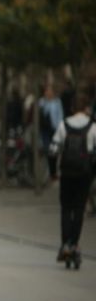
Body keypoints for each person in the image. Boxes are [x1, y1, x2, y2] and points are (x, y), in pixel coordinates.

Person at [50, 90, 95, 267]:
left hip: (67, 172)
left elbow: (53, 151)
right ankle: (74, 244)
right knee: (78, 209)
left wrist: (53, 173)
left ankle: (64, 245)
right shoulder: (92, 127)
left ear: (71, 107)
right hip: (84, 174)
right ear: (86, 108)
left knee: (65, 209)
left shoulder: (63, 125)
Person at [38, 84, 65, 181]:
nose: (48, 93)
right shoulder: (41, 102)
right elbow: (41, 115)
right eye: (46, 91)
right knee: (48, 150)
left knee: (54, 151)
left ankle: (53, 172)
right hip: (45, 129)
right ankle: (50, 172)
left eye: (50, 91)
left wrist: (60, 128)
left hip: (54, 129)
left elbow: (60, 115)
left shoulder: (57, 102)